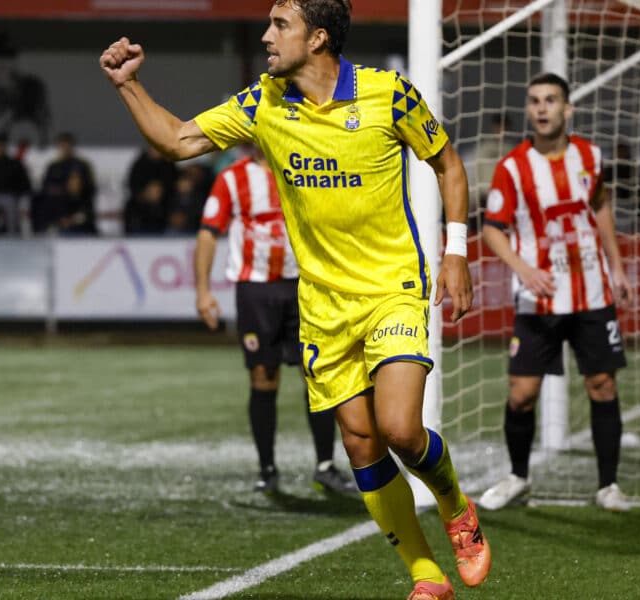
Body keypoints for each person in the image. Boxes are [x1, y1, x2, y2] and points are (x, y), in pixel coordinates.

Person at [99, 2, 489, 598]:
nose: (266, 36)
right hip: (323, 304)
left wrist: (457, 252)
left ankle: (455, 505)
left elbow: (449, 164)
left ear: (320, 37)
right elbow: (178, 141)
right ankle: (425, 573)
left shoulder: (389, 94)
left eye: (280, 25)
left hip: (392, 288)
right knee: (359, 440)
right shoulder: (264, 101)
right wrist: (129, 87)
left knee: (401, 429)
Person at [478, 73, 634, 513]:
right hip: (538, 296)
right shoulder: (512, 167)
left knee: (602, 384)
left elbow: (600, 205)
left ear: (568, 109)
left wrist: (617, 267)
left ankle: (608, 485)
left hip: (591, 292)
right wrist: (524, 270)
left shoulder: (590, 156)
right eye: (534, 101)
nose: (541, 108)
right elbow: (492, 230)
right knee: (521, 392)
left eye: (550, 100)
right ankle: (518, 477)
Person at [194, 146, 354, 495]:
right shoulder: (232, 178)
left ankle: (325, 466)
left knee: (317, 376)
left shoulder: (306, 168)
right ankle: (268, 469)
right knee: (263, 378)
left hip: (304, 287)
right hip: (256, 291)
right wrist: (203, 290)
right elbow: (208, 231)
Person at [0, 131, 32, 234]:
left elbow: (26, 187)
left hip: (11, 198)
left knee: (10, 203)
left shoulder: (15, 164)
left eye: (0, 145)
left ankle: (11, 236)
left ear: (5, 146)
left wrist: (22, 199)